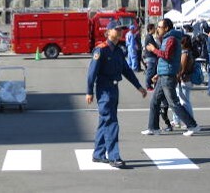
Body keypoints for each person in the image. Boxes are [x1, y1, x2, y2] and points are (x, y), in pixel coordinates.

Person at [86, 21, 147, 169]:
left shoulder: (119, 51)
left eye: (121, 29)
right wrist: (89, 92)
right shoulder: (100, 50)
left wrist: (138, 86)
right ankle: (114, 157)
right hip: (104, 89)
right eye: (116, 29)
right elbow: (91, 73)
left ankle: (98, 154)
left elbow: (126, 70)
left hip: (114, 88)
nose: (120, 32)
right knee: (112, 123)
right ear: (108, 32)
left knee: (104, 122)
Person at [142, 18, 201, 136]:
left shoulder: (171, 39)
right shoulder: (166, 39)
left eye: (159, 27)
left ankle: (192, 125)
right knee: (154, 101)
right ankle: (153, 127)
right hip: (164, 74)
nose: (157, 29)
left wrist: (154, 50)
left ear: (166, 28)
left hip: (168, 76)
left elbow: (166, 56)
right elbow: (165, 59)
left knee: (174, 103)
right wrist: (158, 74)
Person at [172, 34, 196, 128]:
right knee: (182, 100)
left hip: (184, 79)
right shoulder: (188, 52)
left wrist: (177, 77)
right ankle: (178, 120)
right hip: (186, 79)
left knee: (184, 101)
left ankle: (189, 121)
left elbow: (182, 68)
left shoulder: (185, 53)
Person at [143, 24, 159, 90]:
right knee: (150, 72)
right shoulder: (149, 37)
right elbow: (154, 46)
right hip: (150, 57)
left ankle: (150, 84)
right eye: (154, 28)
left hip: (151, 57)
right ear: (150, 29)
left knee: (152, 71)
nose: (155, 29)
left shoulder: (150, 36)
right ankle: (148, 85)